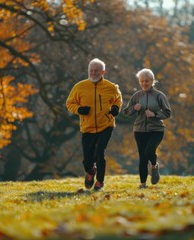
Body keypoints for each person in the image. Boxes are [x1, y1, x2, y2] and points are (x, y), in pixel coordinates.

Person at [66, 58, 122, 191]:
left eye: (96, 70)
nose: (93, 73)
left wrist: (115, 108)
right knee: (87, 159)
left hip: (105, 125)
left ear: (103, 72)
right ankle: (90, 171)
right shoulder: (79, 87)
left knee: (100, 152)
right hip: (87, 127)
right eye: (91, 70)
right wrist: (79, 109)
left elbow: (118, 99)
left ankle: (100, 182)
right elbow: (70, 103)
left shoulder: (110, 87)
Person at [123, 68, 171, 189]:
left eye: (147, 81)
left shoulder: (160, 96)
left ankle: (154, 166)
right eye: (142, 81)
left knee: (149, 152)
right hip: (139, 130)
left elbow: (167, 113)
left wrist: (154, 115)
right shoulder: (136, 96)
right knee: (142, 157)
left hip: (156, 130)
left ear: (152, 81)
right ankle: (143, 184)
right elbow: (126, 112)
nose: (144, 83)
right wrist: (134, 108)